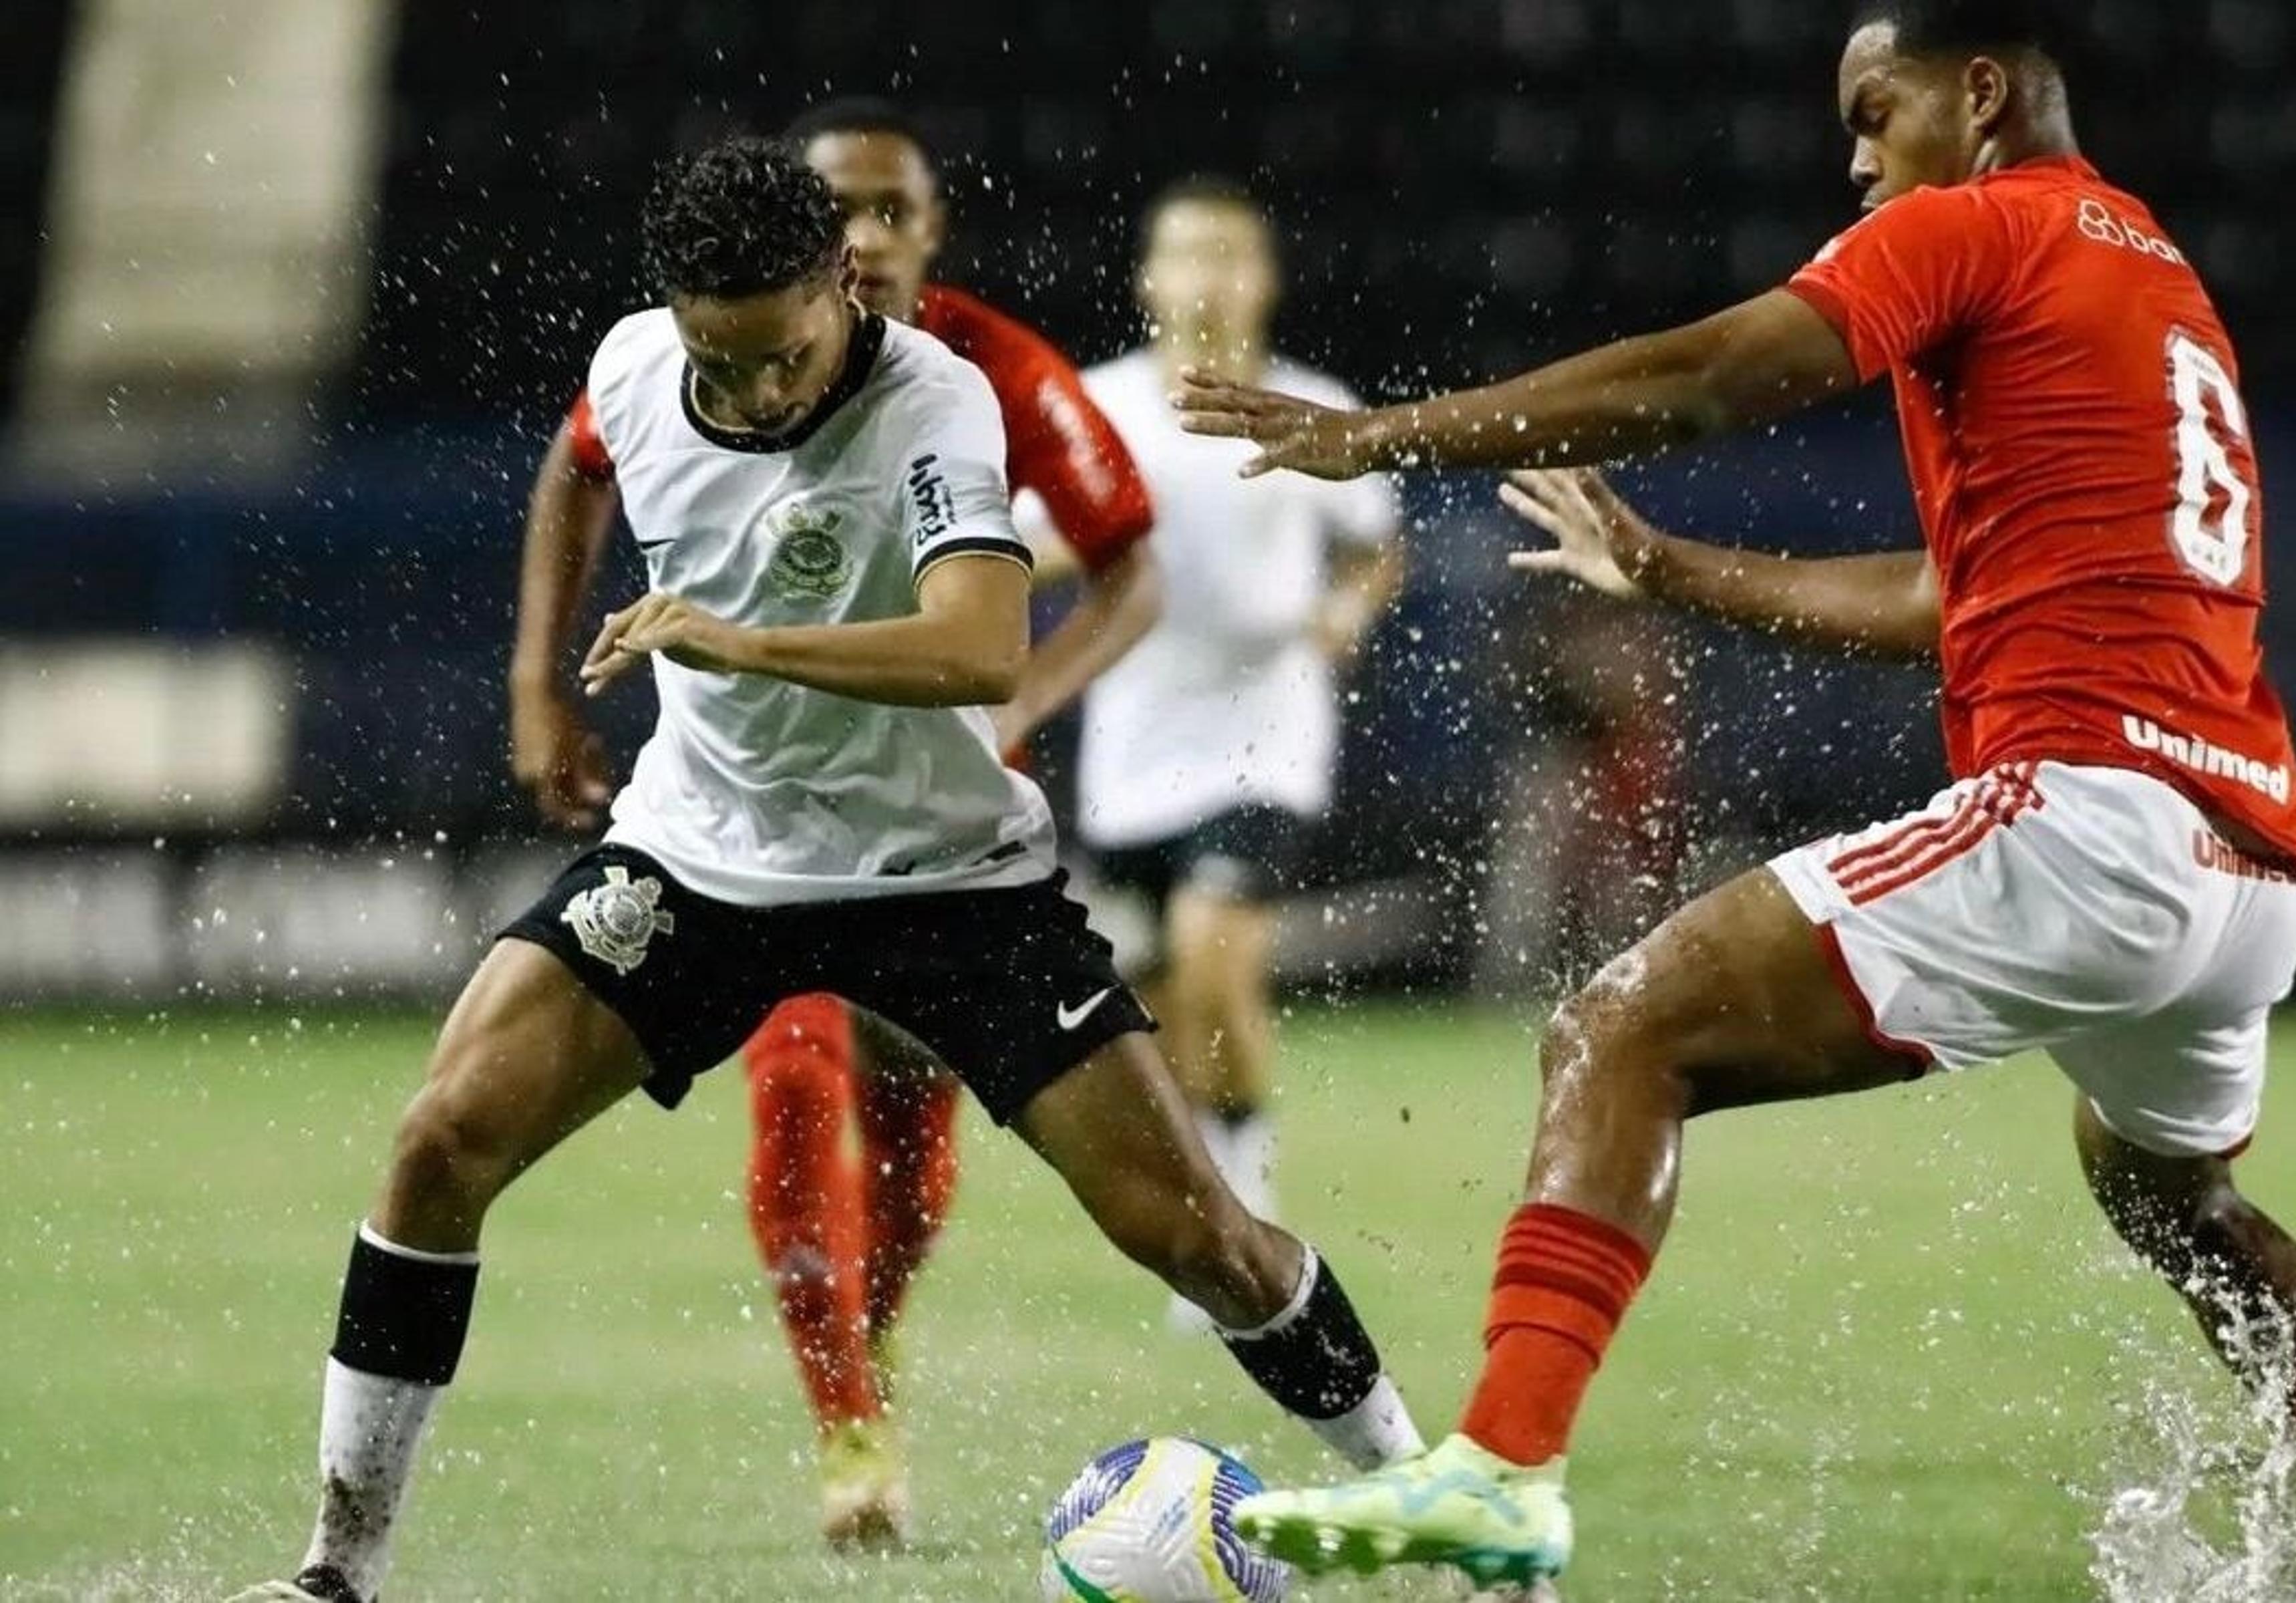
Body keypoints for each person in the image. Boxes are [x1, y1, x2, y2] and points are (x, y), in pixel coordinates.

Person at [1172, 4, 2296, 1598]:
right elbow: (1950, 591)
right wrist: (1665, 568)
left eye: (1879, 111)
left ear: (1980, 93)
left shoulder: (1978, 221)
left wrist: (1388, 435)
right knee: (2179, 1203)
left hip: (2093, 822)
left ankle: (1503, 1472)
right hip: (2245, 864)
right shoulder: (2149, 270)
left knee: (1619, 1030)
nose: (1855, 156)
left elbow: (1712, 376)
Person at [228, 136, 1418, 1603]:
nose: (754, 395)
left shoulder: (935, 399)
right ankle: (334, 1574)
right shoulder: (638, 365)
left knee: (1201, 1243)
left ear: (838, 288)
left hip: (941, 878)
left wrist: (736, 640)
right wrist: (537, 681)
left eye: (780, 356)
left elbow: (982, 644)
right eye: (717, 365)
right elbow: (574, 468)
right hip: (702, 856)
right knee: (439, 1144)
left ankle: (1433, 1508)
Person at [506, 99, 1164, 1545]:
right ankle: (848, 1418)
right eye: (841, 213)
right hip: (750, 831)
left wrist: (1015, 703)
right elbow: (578, 465)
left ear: (931, 232)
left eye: (894, 213)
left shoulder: (992, 373)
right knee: (796, 1086)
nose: (867, 237)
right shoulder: (694, 356)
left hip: (926, 831)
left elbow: (1132, 569)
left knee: (914, 1128)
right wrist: (537, 684)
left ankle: (874, 1342)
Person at [1063, 178, 1404, 1324]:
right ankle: (1209, 1201)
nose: (1206, 279)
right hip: (1134, 741)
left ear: (1262, 280)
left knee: (1219, 956)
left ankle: (1247, 1206)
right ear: (1149, 281)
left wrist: (1346, 613)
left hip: (1268, 730)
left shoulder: (1312, 408)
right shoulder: (1096, 409)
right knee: (1158, 1011)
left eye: (1228, 257)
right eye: (1184, 256)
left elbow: (1372, 547)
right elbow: (1034, 541)